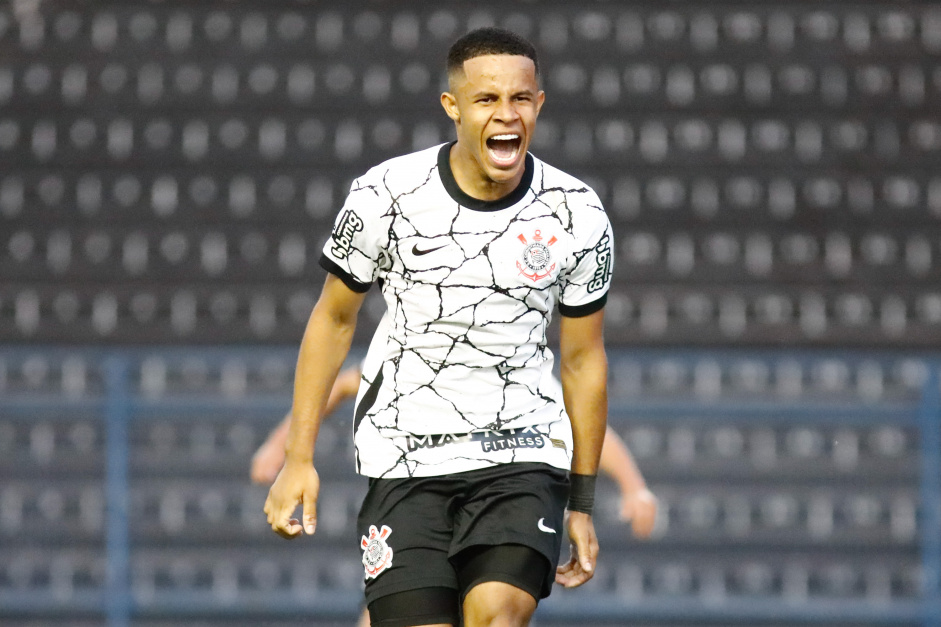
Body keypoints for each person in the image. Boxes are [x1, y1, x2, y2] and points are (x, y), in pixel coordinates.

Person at [265, 27, 616, 627]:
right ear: (452, 107)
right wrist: (298, 457)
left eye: (520, 99)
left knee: (497, 614)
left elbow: (583, 360)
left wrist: (581, 502)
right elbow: (332, 319)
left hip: (521, 450)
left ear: (539, 104)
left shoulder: (576, 213)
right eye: (486, 100)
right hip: (404, 453)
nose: (506, 115)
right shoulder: (385, 194)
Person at [252, 367, 658, 536]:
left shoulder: (516, 379)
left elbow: (576, 420)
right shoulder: (429, 364)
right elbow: (345, 384)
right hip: (421, 512)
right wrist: (282, 447)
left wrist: (634, 486)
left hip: (492, 519)